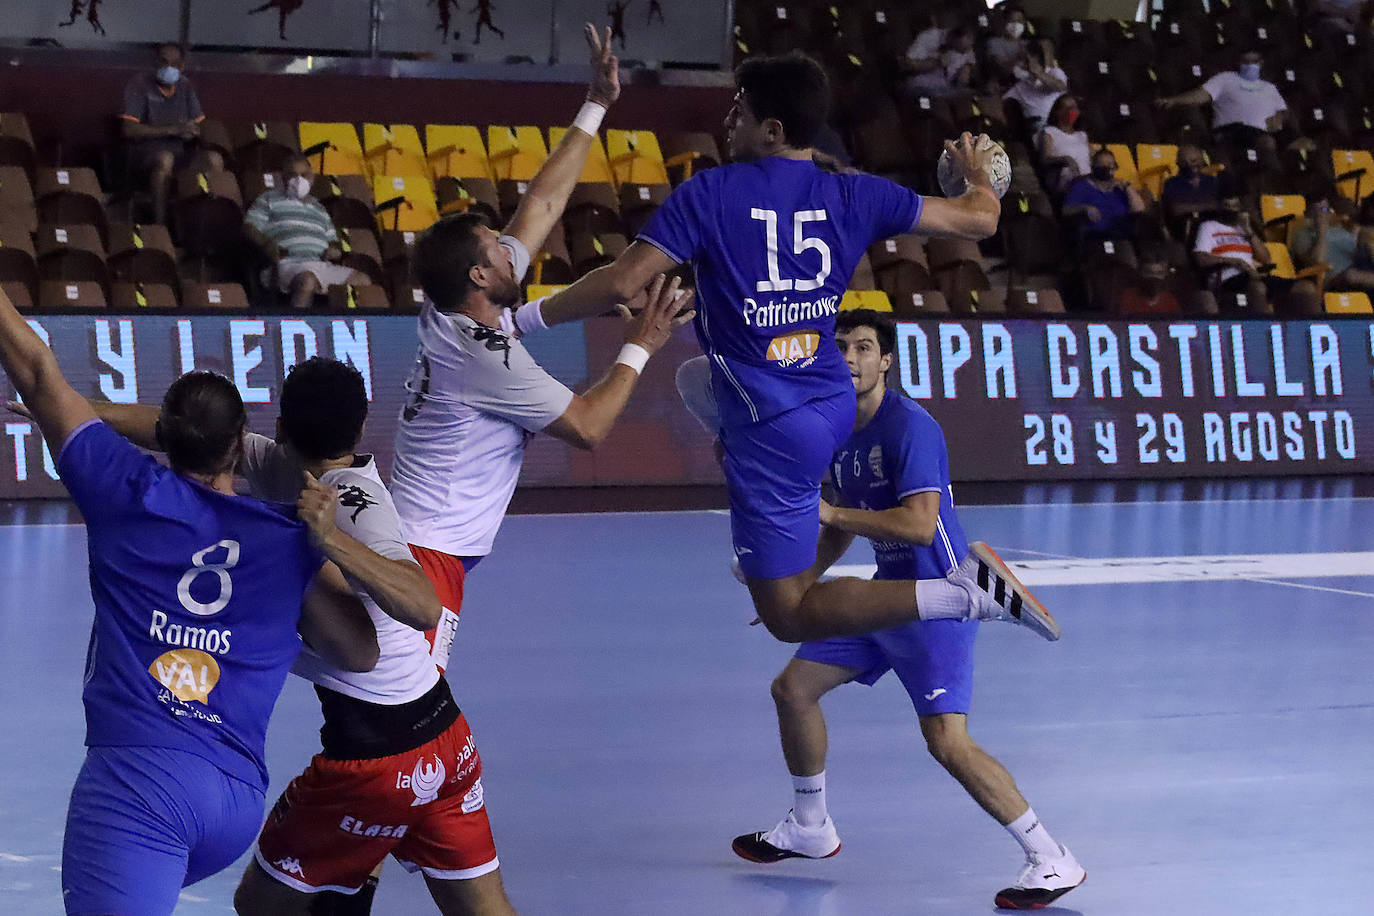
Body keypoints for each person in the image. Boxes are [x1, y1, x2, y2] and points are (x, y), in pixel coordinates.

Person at [515, 52, 1058, 647]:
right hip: (830, 399)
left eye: (739, 112)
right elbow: (980, 221)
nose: (727, 122)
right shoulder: (854, 192)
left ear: (772, 131)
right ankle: (787, 524)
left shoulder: (711, 192)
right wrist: (981, 177)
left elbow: (622, 281)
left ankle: (962, 593)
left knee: (788, 616)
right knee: (699, 377)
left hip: (776, 429)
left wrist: (528, 317)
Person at [57, 356, 510, 914]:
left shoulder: (352, 501)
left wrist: (329, 540)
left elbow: (423, 606)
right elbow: (184, 430)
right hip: (445, 733)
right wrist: (74, 413)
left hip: (375, 754)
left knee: (261, 903)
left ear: (283, 425)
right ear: (364, 423)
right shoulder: (273, 462)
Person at [0, 285, 378, 915]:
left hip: (141, 790)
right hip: (234, 799)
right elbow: (360, 652)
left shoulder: (121, 488)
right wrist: (321, 550)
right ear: (242, 444)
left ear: (163, 438)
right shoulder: (291, 540)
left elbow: (37, 370)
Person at [728, 310, 1084, 911]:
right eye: (840, 346)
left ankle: (1051, 857)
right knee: (793, 690)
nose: (850, 357)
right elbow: (838, 517)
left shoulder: (910, 427)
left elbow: (919, 527)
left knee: (947, 742)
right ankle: (810, 827)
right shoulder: (836, 428)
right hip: (883, 593)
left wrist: (834, 516)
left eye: (863, 347)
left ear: (885, 361)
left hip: (939, 594)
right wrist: (796, 588)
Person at [390, 24, 693, 680]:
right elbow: (587, 427)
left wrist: (597, 101)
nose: (510, 243)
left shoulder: (448, 306)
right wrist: (641, 345)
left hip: (419, 539)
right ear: (480, 276)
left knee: (393, 709)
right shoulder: (486, 357)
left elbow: (544, 201)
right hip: (427, 554)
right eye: (497, 245)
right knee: (406, 712)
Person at [244, 153, 373, 310]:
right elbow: (249, 227)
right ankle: (298, 328)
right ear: (283, 178)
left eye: (304, 175)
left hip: (320, 264)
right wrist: (265, 243)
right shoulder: (269, 199)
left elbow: (332, 240)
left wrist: (334, 249)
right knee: (307, 280)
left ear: (312, 177)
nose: (299, 180)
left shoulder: (319, 207)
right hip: (286, 263)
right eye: (293, 175)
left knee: (363, 281)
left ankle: (345, 328)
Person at [120, 42, 224, 224]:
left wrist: (194, 131)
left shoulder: (185, 86)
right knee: (165, 159)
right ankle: (161, 224)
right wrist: (172, 129)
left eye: (174, 64)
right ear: (155, 63)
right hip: (145, 156)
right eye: (164, 62)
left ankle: (206, 222)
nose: (169, 68)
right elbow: (129, 129)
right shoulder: (139, 84)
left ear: (182, 67)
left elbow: (201, 123)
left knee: (213, 160)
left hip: (182, 154)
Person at [1156, 49, 1289, 173]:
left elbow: (1282, 110)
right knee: (1267, 142)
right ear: (1239, 63)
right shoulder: (1226, 79)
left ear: (1261, 63)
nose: (1249, 65)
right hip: (1230, 131)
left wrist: (1278, 119)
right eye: (1245, 62)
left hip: (1260, 132)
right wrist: (1174, 100)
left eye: (1254, 62)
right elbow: (1201, 95)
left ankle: (1278, 184)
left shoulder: (1269, 88)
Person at [1191, 195, 1320, 316]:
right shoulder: (1209, 227)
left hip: (1253, 276)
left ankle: (1312, 331)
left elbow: (1266, 259)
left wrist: (1249, 231)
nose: (1231, 210)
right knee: (1258, 287)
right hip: (1227, 279)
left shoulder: (1243, 228)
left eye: (1234, 206)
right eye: (1227, 206)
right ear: (1220, 207)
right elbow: (1201, 258)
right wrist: (1236, 262)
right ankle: (1265, 330)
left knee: (1306, 288)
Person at [1061, 147, 1147, 258]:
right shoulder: (1081, 185)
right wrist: (1085, 208)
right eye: (1103, 165)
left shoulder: (1120, 187)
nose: (1108, 169)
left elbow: (1139, 209)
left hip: (1121, 236)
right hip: (1094, 237)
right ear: (1094, 167)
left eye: (1111, 165)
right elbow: (1066, 210)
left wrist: (1127, 187)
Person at [1293, 197, 1374, 295]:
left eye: (1324, 209)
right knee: (1352, 276)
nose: (1320, 214)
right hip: (1338, 280)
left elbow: (1356, 252)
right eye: (1315, 210)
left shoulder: (1340, 230)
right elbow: (1315, 263)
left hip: (1360, 270)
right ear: (1306, 214)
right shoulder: (1302, 235)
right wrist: (1321, 233)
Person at [1001, 40, 1067, 134]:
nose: (1023, 63)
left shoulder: (1054, 72)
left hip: (1060, 124)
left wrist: (1038, 72)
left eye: (1026, 59)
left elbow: (1060, 87)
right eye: (1021, 59)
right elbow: (1003, 102)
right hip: (1037, 129)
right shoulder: (1021, 85)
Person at [1160, 144, 1224, 232]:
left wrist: (1192, 207)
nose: (1190, 165)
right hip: (1185, 229)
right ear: (1179, 163)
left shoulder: (1212, 181)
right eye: (1185, 161)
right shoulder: (1172, 183)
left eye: (1194, 160)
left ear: (1202, 161)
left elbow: (1221, 206)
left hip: (1215, 228)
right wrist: (1208, 206)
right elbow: (1176, 209)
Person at [1036, 93, 1091, 194]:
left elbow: (1090, 160)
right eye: (1067, 108)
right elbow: (1045, 159)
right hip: (1066, 182)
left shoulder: (1082, 135)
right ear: (1057, 112)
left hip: (1087, 180)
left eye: (1074, 108)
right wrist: (1065, 159)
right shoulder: (1049, 132)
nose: (1071, 111)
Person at [984, 4, 1030, 85]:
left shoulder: (1027, 44)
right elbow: (1001, 70)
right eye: (1012, 21)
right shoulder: (994, 43)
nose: (1016, 25)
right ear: (1004, 22)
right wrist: (1018, 60)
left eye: (1020, 21)